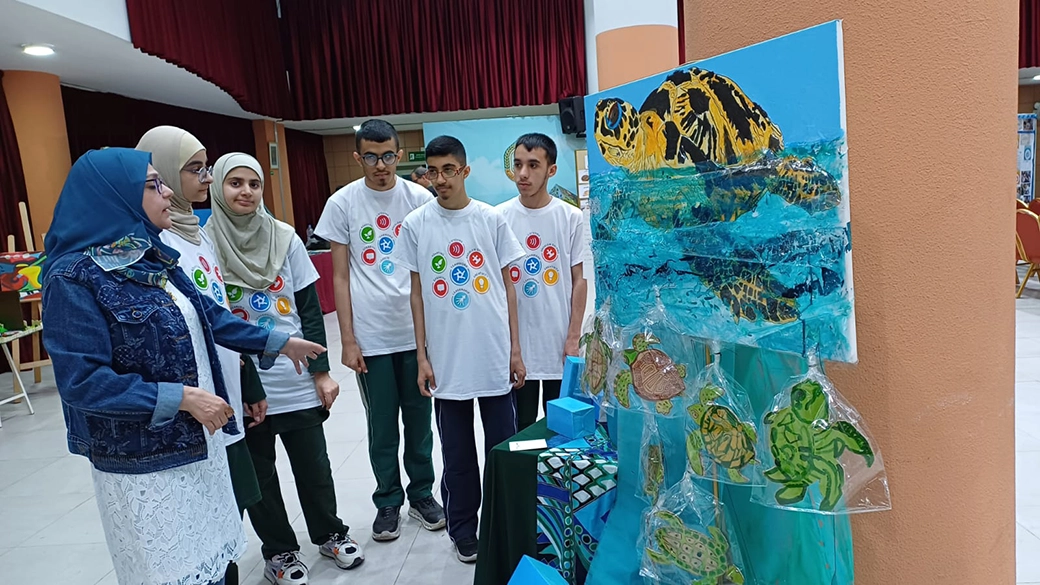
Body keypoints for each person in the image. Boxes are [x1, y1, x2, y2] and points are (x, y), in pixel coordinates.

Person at [41, 148, 325, 585]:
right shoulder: (72, 278)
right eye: (153, 184)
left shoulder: (148, 254)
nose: (167, 192)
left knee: (217, 561)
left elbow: (208, 315)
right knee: (175, 570)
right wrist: (180, 398)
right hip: (145, 464)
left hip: (197, 446)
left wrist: (279, 342)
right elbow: (83, 383)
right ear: (115, 195)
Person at [205, 153, 363, 585]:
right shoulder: (206, 243)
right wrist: (242, 383)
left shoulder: (285, 237)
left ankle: (330, 533)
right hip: (244, 382)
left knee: (314, 467)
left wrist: (321, 372)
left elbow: (309, 309)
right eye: (235, 183)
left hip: (295, 379)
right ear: (218, 187)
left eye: (254, 184)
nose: (246, 192)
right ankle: (279, 551)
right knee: (261, 475)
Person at [135, 126, 268, 585]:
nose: (205, 178)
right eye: (195, 169)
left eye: (206, 168)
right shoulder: (155, 244)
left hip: (223, 391)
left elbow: (220, 317)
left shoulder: (198, 234)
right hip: (193, 403)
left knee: (232, 509)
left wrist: (246, 382)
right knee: (206, 518)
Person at [397, 135, 526, 563]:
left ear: (464, 171)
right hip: (447, 359)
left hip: (492, 353)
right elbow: (416, 295)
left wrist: (515, 350)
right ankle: (464, 529)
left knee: (501, 449)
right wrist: (421, 356)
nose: (440, 179)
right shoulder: (416, 224)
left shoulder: (491, 219)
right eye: (433, 171)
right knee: (457, 455)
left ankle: (503, 524)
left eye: (449, 170)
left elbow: (509, 290)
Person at [314, 119, 444, 542]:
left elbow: (432, 268)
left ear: (400, 155)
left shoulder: (419, 198)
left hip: (416, 334)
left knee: (420, 422)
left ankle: (421, 494)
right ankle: (387, 500)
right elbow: (339, 277)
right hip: (371, 336)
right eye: (371, 157)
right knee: (382, 425)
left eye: (388, 155)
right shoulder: (342, 203)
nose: (381, 165)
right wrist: (348, 339)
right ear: (358, 158)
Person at [497, 133, 588, 429]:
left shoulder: (570, 217)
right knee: (519, 431)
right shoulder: (499, 218)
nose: (523, 174)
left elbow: (579, 280)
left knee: (558, 431)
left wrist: (573, 337)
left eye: (533, 165)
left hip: (558, 346)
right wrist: (508, 345)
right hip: (516, 349)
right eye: (518, 164)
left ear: (551, 170)